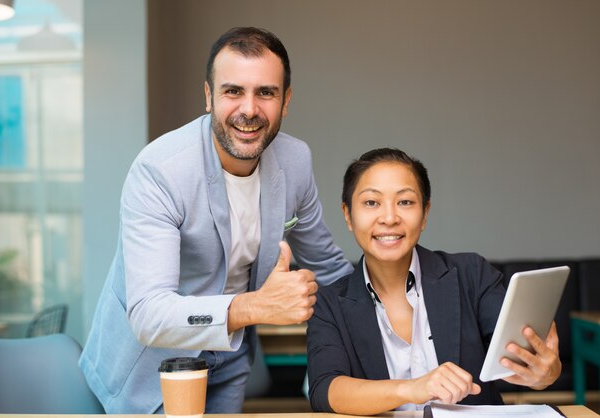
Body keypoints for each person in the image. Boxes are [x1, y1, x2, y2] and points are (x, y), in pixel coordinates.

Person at [79, 27, 353, 414]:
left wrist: (394, 309)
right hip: (150, 368)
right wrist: (255, 307)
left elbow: (327, 266)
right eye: (232, 91)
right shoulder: (160, 171)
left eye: (266, 92)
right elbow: (148, 313)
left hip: (230, 360)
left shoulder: (295, 162)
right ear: (208, 96)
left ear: (285, 101)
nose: (249, 109)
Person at [306, 148, 561, 415]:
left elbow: (522, 353)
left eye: (405, 202)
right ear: (348, 215)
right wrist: (411, 388)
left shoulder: (471, 274)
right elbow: (326, 390)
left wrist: (546, 371)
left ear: (425, 213)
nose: (389, 218)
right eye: (371, 203)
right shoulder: (328, 304)